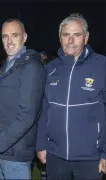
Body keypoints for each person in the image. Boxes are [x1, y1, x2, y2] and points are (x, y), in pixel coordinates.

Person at [36, 13, 106, 179]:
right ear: (60, 38)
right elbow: (44, 110)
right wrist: (41, 145)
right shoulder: (50, 69)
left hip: (90, 158)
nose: (71, 40)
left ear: (86, 37)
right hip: (55, 155)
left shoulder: (101, 65)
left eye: (77, 35)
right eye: (66, 35)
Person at [0, 19, 46, 179]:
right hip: (3, 148)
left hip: (15, 151)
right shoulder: (9, 65)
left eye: (15, 35)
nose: (9, 41)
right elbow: (6, 107)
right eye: (4, 36)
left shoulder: (31, 66)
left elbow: (28, 114)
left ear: (25, 37)